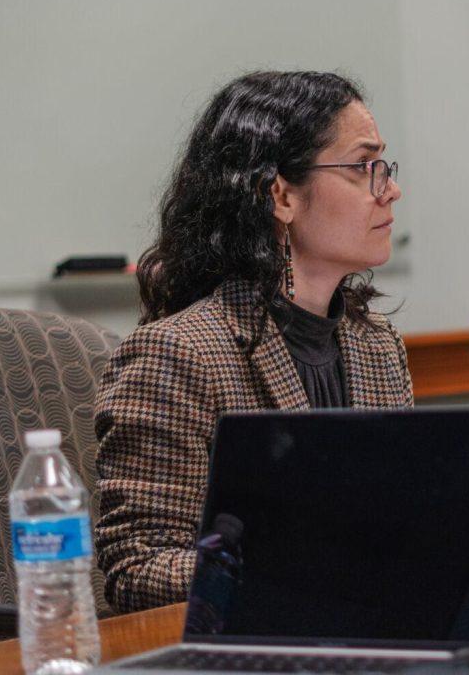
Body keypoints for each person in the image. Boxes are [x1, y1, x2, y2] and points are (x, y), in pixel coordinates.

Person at [94, 71, 411, 613]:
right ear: (281, 194)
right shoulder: (178, 355)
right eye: (363, 167)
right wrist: (300, 569)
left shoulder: (377, 348)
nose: (390, 188)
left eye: (384, 166)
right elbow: (138, 571)